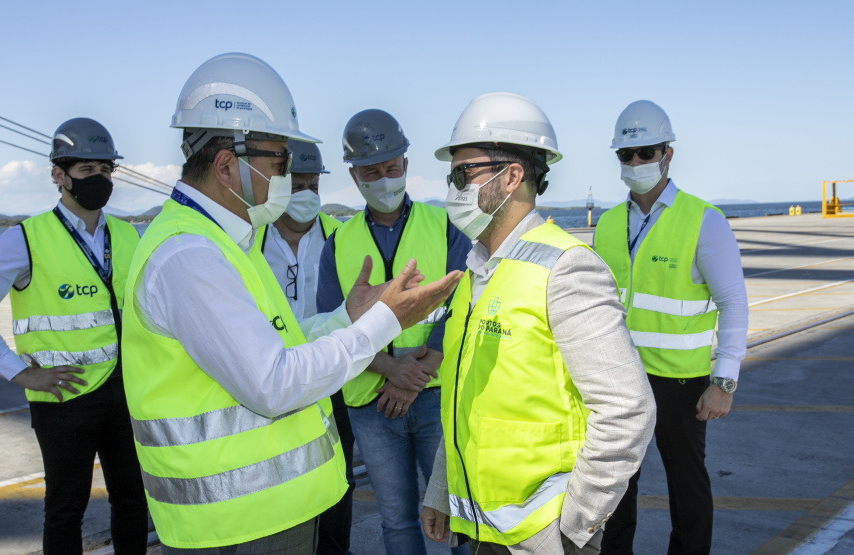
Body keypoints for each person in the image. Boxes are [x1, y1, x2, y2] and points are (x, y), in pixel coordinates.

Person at [120, 52, 461, 554]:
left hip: (267, 516)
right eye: (279, 164)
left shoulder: (228, 240)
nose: (287, 179)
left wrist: (348, 317)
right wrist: (384, 323)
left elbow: (284, 341)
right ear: (226, 165)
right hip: (238, 525)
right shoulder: (189, 255)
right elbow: (274, 383)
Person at [419, 92, 657, 555]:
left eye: (462, 173)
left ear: (511, 177)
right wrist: (440, 487)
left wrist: (571, 529)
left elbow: (628, 409)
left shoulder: (566, 268)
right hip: (485, 530)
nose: (452, 188)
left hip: (542, 537)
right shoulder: (476, 273)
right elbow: (466, 398)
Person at [0, 118, 148, 554]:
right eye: (86, 171)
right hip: (63, 399)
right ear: (59, 175)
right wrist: (20, 372)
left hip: (127, 393)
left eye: (107, 171)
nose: (100, 180)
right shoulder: (25, 239)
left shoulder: (129, 236)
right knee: (65, 509)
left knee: (133, 501)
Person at [594, 100, 749, 555]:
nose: (637, 162)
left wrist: (724, 382)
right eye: (627, 154)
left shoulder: (704, 221)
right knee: (615, 491)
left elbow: (733, 305)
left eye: (647, 151)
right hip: (618, 380)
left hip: (680, 384)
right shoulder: (605, 225)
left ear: (668, 154)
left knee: (688, 490)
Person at [317, 109, 471, 554]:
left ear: (406, 163)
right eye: (371, 172)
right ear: (354, 175)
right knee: (397, 522)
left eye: (391, 167)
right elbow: (333, 323)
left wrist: (414, 377)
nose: (384, 179)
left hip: (436, 395)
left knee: (460, 514)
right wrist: (392, 371)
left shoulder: (445, 226)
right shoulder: (339, 244)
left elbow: (461, 305)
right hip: (372, 404)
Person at [249, 139, 355, 554]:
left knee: (336, 483)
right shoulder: (248, 244)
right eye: (296, 184)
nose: (306, 193)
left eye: (313, 184)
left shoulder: (343, 239)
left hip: (333, 381)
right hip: (271, 381)